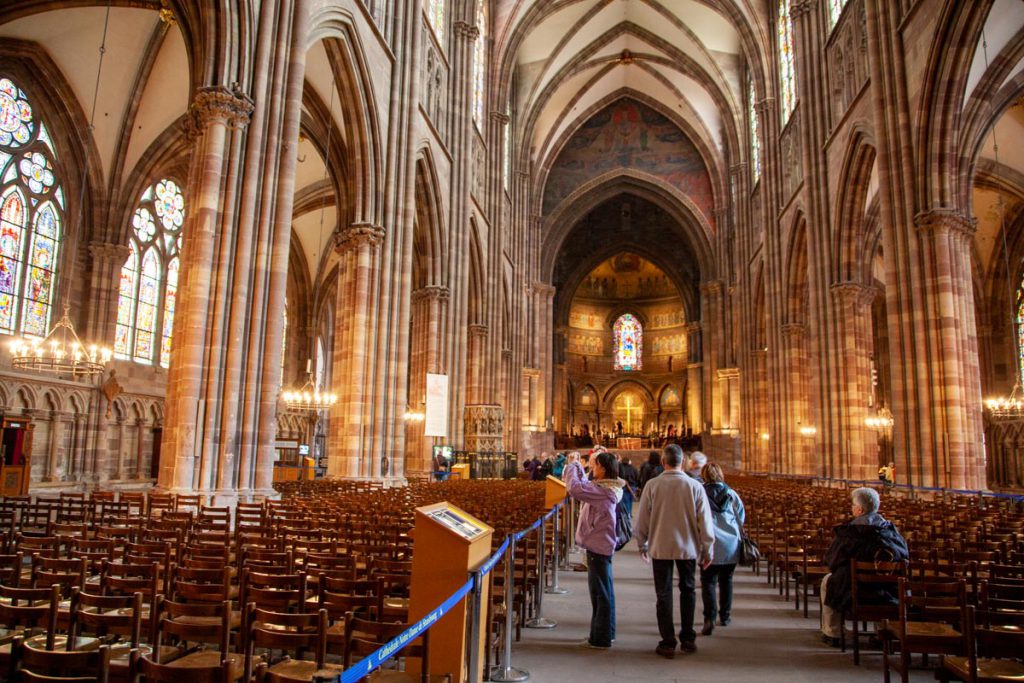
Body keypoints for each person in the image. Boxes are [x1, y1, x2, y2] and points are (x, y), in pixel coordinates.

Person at [635, 444, 715, 658]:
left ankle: (668, 642)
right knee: (688, 590)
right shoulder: (695, 486)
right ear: (683, 462)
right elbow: (705, 521)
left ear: (664, 462)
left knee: (663, 594)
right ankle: (688, 639)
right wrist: (708, 549)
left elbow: (642, 519)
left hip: (660, 546)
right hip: (687, 547)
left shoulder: (652, 485)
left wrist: (642, 543)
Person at [819, 487, 909, 646]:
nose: (852, 507)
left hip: (854, 591)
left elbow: (832, 561)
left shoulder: (849, 533)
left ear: (859, 510)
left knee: (828, 581)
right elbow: (904, 557)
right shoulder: (892, 532)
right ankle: (883, 631)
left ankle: (833, 632)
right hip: (888, 592)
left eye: (853, 505)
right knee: (885, 583)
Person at [563, 450, 625, 650]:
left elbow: (575, 489)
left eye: (595, 465)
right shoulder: (607, 487)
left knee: (600, 593)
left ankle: (600, 638)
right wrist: (578, 467)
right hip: (602, 543)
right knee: (605, 590)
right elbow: (584, 484)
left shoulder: (603, 491)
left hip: (599, 544)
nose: (593, 468)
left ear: (603, 469)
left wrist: (572, 465)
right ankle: (607, 632)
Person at [699, 462, 745, 635]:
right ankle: (725, 616)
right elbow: (741, 516)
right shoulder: (731, 493)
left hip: (710, 543)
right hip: (730, 544)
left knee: (708, 581)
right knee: (727, 580)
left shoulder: (700, 493)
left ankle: (709, 618)